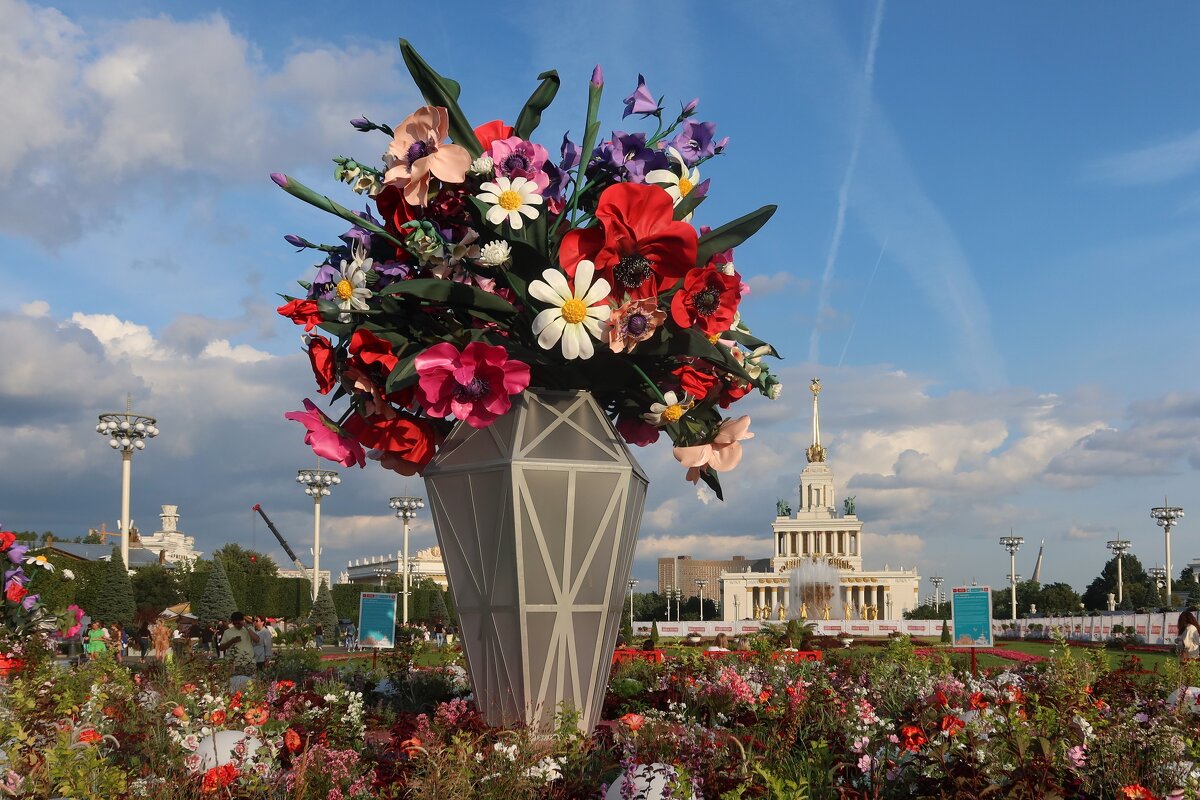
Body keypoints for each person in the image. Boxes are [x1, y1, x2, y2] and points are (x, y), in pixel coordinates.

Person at [218, 611, 260, 678]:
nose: (237, 625)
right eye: (235, 623)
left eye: (239, 623)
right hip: (233, 663)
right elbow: (221, 648)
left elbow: (257, 640)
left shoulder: (249, 629)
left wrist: (246, 627)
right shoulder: (227, 632)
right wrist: (232, 641)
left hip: (248, 663)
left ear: (242, 621)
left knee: (250, 684)